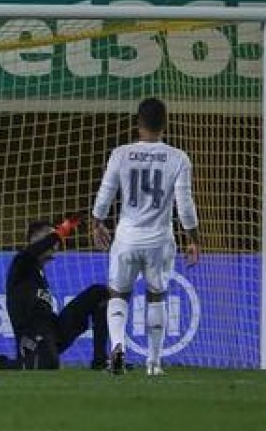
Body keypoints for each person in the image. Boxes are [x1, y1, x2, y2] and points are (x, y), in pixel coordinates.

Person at [91, 97, 199, 377]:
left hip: (127, 238)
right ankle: (153, 363)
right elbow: (184, 205)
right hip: (159, 241)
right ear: (165, 123)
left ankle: (117, 346)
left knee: (118, 294)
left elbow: (106, 191)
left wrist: (96, 222)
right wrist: (193, 238)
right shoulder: (178, 158)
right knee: (156, 297)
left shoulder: (121, 153)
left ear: (138, 123)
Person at [0, 217, 109, 370]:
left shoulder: (40, 273)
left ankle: (100, 361)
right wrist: (61, 231)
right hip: (30, 335)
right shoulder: (21, 263)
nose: (56, 244)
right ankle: (0, 363)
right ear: (35, 240)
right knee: (49, 364)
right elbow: (35, 250)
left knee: (99, 293)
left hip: (54, 330)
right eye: (50, 237)